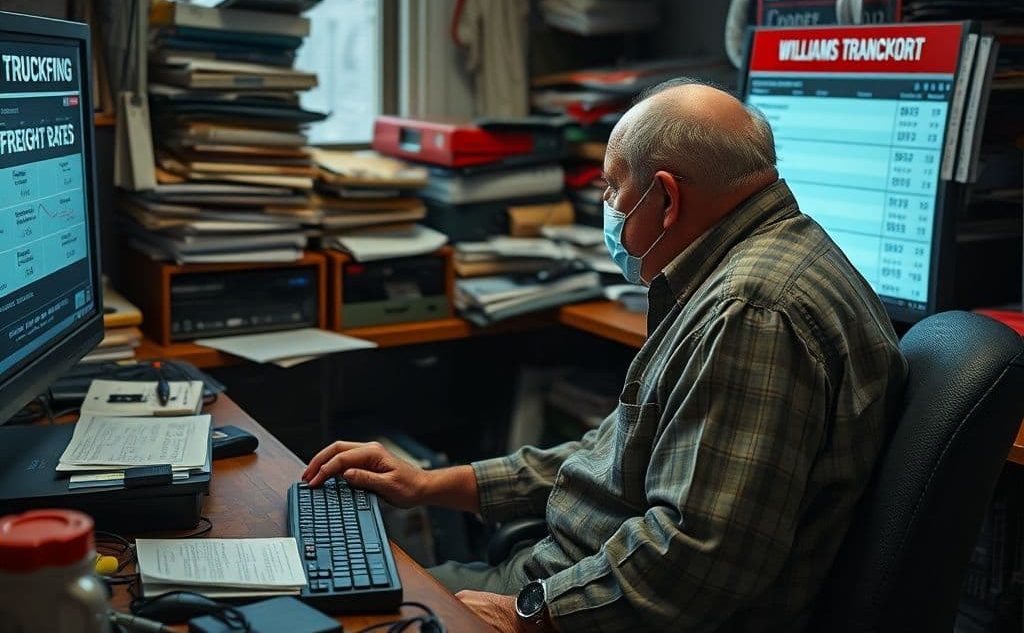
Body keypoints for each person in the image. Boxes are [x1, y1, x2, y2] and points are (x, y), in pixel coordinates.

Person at [303, 81, 908, 632]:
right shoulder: (756, 264)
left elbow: (697, 559)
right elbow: (616, 455)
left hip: (580, 613)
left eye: (613, 188)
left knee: (320, 611)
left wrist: (525, 616)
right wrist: (435, 483)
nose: (609, 209)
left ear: (666, 199)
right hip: (570, 582)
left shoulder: (750, 313)